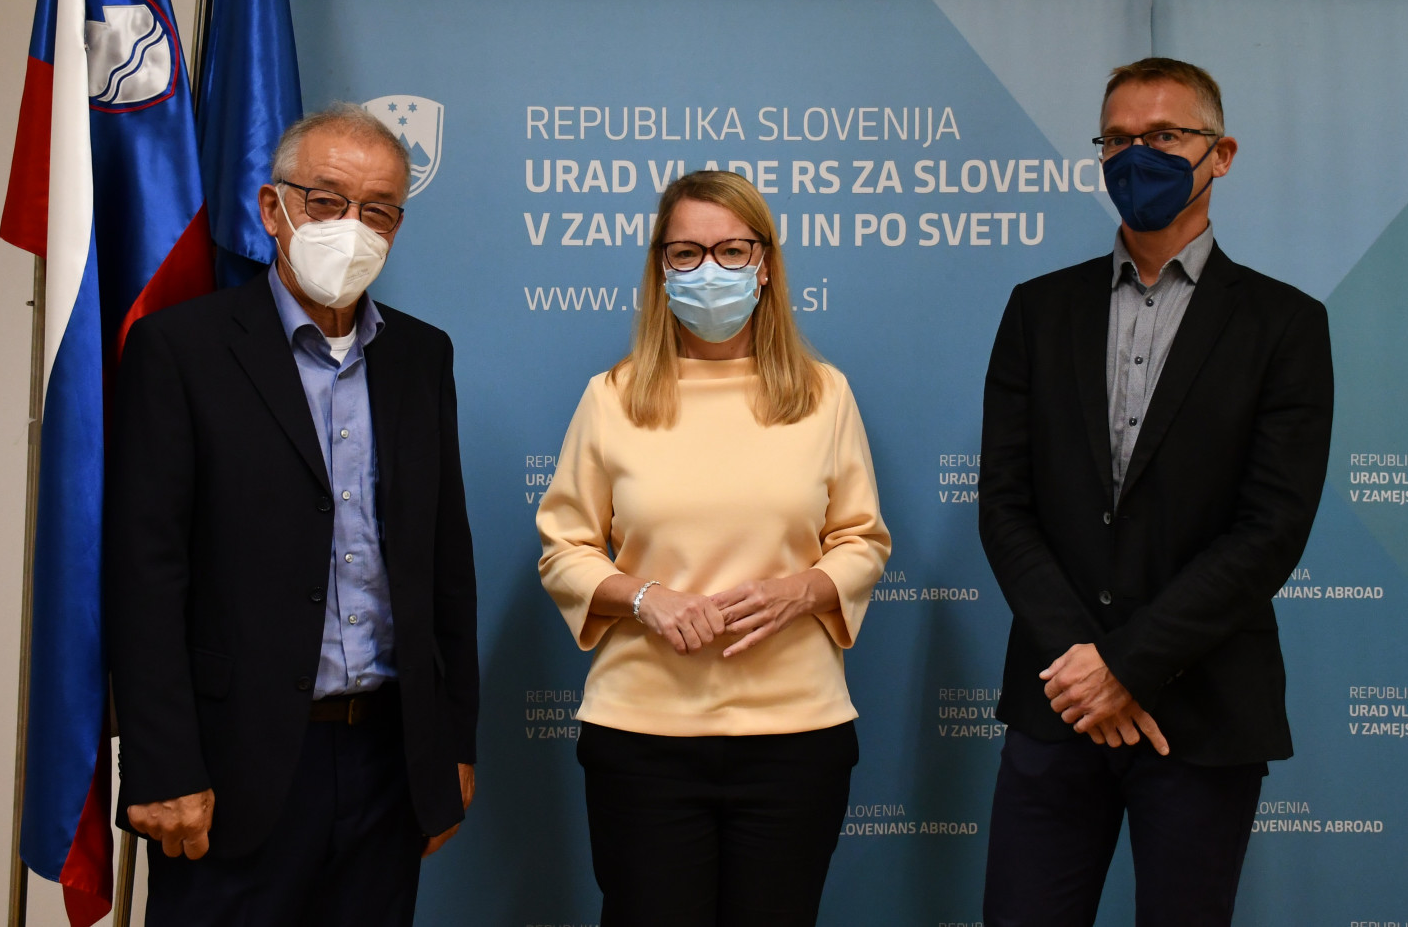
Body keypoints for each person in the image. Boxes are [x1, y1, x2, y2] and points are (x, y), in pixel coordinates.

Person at [977, 58, 1334, 927]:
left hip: (1204, 708)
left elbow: (1271, 528)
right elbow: (1005, 505)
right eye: (1118, 140)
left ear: (1221, 153)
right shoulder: (1037, 310)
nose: (1137, 156)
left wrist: (1128, 665)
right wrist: (1085, 667)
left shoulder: (1285, 324)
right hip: (1058, 699)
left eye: (1165, 135)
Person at [108, 103, 479, 926]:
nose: (351, 226)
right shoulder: (181, 350)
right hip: (232, 764)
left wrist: (451, 743)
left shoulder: (422, 356)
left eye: (377, 210)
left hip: (387, 759)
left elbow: (444, 564)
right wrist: (163, 763)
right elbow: (144, 575)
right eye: (326, 200)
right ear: (273, 209)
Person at [535, 170, 892, 927]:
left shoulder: (824, 394)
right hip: (642, 739)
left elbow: (861, 539)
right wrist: (645, 598)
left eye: (731, 250)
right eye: (687, 253)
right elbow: (564, 548)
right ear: (661, 268)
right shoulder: (612, 396)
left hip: (796, 738)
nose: (710, 270)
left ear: (764, 264)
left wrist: (801, 590)